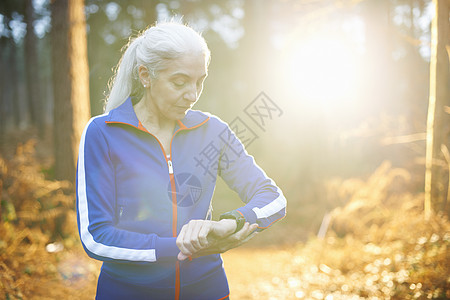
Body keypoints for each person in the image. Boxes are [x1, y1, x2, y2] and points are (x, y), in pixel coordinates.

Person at [76, 21, 286, 300]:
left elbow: (271, 197)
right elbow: (96, 237)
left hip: (207, 290)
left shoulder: (213, 131)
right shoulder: (102, 133)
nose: (193, 95)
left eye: (200, 81)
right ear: (145, 75)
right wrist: (178, 247)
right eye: (180, 82)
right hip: (128, 292)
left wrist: (230, 223)